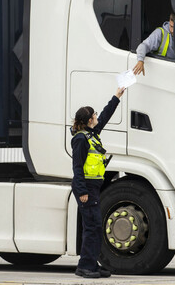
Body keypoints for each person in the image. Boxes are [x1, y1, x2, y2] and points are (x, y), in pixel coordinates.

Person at [71, 87, 125, 278]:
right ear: (88, 121)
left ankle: (92, 264)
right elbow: (77, 167)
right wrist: (82, 191)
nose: (96, 116)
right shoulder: (80, 140)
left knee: (95, 226)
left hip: (93, 187)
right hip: (86, 188)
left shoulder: (92, 134)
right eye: (94, 115)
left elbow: (105, 115)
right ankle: (85, 266)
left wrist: (117, 96)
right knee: (91, 227)